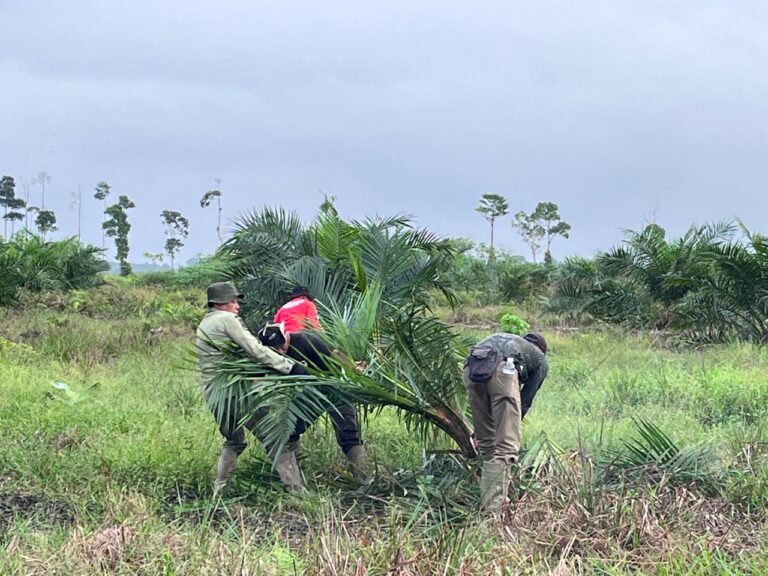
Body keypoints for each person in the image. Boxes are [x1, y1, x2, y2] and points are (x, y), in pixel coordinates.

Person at [196, 282, 309, 494]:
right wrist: (290, 367)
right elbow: (254, 349)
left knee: (233, 441)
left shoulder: (204, 325)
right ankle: (297, 491)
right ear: (220, 303)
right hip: (237, 392)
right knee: (275, 437)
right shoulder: (227, 319)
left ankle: (220, 491)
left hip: (214, 394)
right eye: (233, 301)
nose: (237, 305)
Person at [257, 322, 368, 479]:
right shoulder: (272, 357)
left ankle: (362, 476)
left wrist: (354, 369)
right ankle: (296, 475)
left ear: (286, 335)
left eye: (282, 345)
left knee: (348, 433)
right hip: (310, 394)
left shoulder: (307, 340)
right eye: (277, 350)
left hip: (335, 388)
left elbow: (335, 353)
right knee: (290, 430)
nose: (282, 351)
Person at [463, 332, 548, 514]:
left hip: (471, 369)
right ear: (542, 349)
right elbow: (525, 400)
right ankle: (495, 512)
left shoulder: (511, 341)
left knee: (487, 444)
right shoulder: (539, 358)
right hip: (503, 369)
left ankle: (488, 502)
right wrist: (509, 427)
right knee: (505, 448)